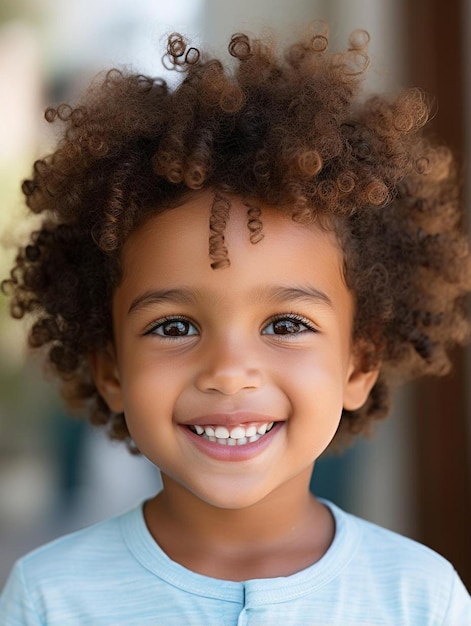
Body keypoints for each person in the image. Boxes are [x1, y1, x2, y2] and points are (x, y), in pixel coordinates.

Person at [0, 23, 470, 625]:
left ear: (359, 363)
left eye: (285, 324)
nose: (228, 373)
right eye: (173, 327)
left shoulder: (420, 598)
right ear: (109, 368)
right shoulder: (50, 597)